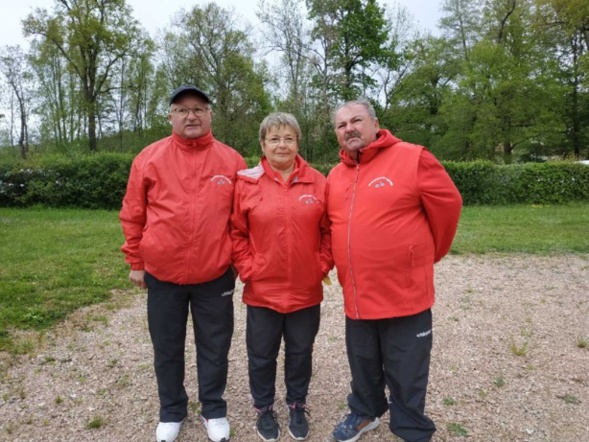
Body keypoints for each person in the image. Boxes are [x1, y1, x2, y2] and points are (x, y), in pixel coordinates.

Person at [326, 98, 462, 442]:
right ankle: (365, 411)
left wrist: (427, 253)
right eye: (341, 126)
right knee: (363, 362)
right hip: (357, 293)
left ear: (374, 122)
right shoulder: (336, 175)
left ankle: (410, 425)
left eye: (356, 120)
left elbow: (448, 206)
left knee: (407, 365)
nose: (349, 129)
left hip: (405, 292)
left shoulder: (412, 157)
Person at [119, 85, 247, 442]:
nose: (191, 116)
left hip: (214, 274)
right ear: (171, 116)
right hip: (163, 273)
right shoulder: (149, 157)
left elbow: (241, 220)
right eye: (182, 109)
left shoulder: (231, 160)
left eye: (198, 109)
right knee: (167, 346)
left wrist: (235, 264)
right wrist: (136, 260)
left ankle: (213, 409)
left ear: (209, 115)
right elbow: (133, 213)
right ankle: (171, 410)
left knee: (215, 346)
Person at [230, 112, 332, 442]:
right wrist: (249, 269)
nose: (282, 144)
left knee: (301, 352)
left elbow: (329, 230)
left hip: (305, 290)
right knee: (262, 354)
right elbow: (236, 232)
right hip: (262, 290)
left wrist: (320, 266)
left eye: (288, 138)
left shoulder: (318, 181)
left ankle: (297, 403)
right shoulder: (246, 182)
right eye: (274, 138)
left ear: (298, 143)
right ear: (262, 144)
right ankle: (263, 407)